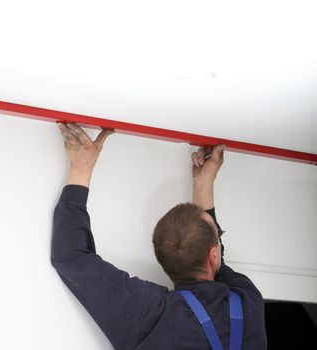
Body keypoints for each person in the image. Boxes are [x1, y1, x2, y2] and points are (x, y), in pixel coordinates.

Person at [51, 122, 267, 350]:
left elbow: (70, 256)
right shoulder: (247, 304)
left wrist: (81, 168)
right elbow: (217, 265)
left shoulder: (150, 314)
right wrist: (204, 183)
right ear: (213, 254)